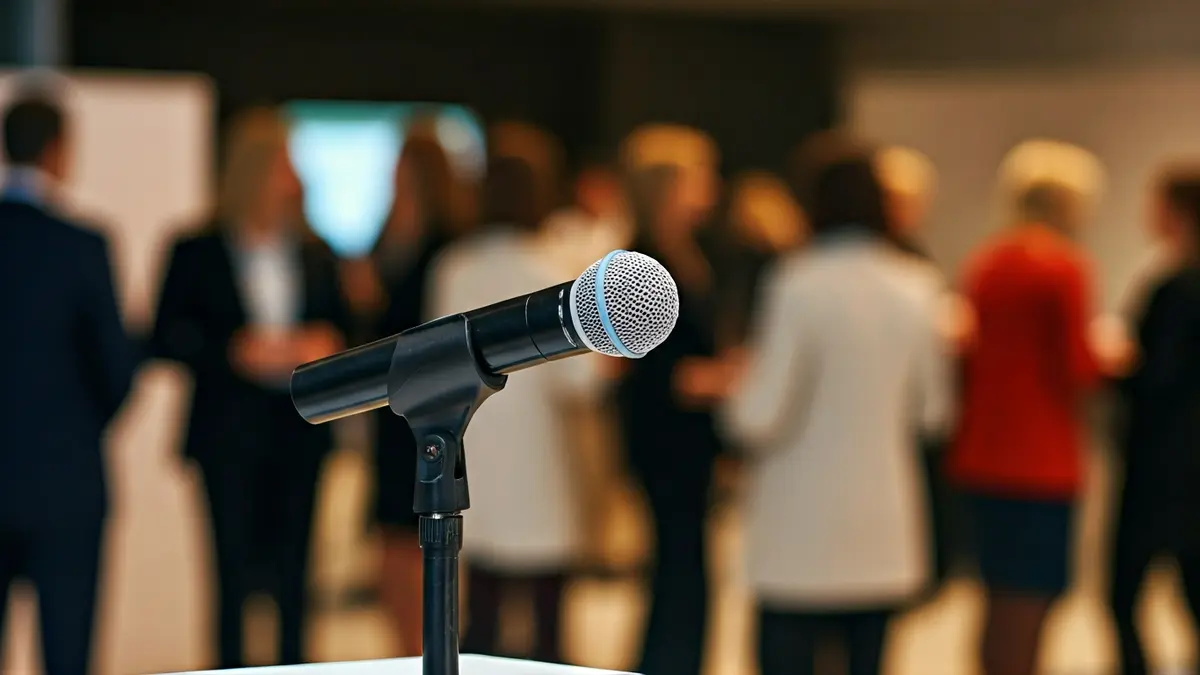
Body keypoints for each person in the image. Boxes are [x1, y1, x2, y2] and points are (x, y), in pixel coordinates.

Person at [724, 154, 952, 675]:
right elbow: (933, 412)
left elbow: (760, 415)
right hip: (881, 522)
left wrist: (734, 390)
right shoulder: (918, 285)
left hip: (801, 526)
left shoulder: (796, 282)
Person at [151, 107, 349, 669]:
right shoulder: (196, 248)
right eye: (284, 163)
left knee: (295, 576)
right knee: (230, 575)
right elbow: (164, 334)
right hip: (226, 435)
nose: (293, 177)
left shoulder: (316, 252)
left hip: (300, 432)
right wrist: (232, 349)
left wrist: (324, 340)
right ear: (255, 169)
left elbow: (349, 328)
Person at [946, 140, 1118, 675]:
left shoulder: (987, 262)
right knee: (1032, 599)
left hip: (983, 452)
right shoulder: (1064, 268)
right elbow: (1078, 368)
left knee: (996, 595)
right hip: (1040, 458)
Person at [439, 156, 598, 664]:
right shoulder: (550, 267)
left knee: (481, 611)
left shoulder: (455, 267)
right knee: (547, 619)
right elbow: (581, 380)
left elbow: (437, 364)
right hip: (536, 452)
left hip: (476, 442)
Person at [0, 93, 138, 675]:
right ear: (58, 150)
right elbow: (116, 370)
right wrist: (75, 432)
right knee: (67, 655)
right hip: (66, 484)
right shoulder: (81, 245)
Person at [340, 132, 460, 657]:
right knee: (389, 532)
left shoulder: (445, 241)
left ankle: (423, 647)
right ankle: (405, 648)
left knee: (418, 530)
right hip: (389, 408)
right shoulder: (386, 233)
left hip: (427, 406)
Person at [619, 163, 729, 675]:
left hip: (689, 431)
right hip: (664, 433)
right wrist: (725, 377)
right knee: (679, 561)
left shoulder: (690, 251)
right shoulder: (642, 260)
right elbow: (649, 365)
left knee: (684, 562)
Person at [1109, 170, 1200, 675]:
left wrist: (1120, 367)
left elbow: (1158, 376)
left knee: (1123, 594)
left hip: (1161, 461)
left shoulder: (1176, 288)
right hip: (1186, 460)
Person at [538, 157, 631, 277]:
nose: (595, 196)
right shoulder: (559, 221)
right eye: (590, 188)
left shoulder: (618, 227)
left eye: (601, 189)